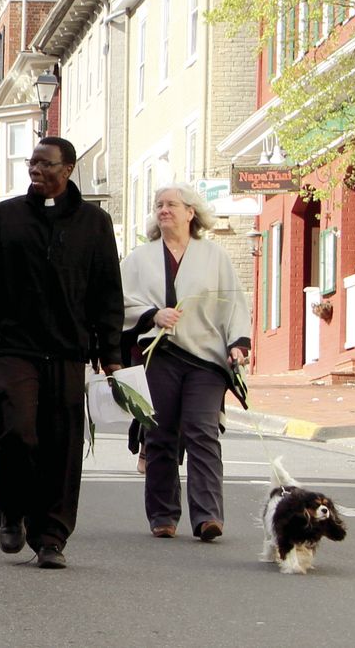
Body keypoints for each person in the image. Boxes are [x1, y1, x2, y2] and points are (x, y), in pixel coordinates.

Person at [0, 137, 123, 569]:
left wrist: (110, 352)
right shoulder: (6, 216)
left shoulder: (95, 222)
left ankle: (51, 536)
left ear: (68, 169)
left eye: (45, 163)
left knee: (62, 446)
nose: (35, 169)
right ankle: (12, 509)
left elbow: (108, 290)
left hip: (70, 350)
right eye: (32, 162)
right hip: (15, 347)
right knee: (15, 431)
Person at [120, 184, 251, 542]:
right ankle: (163, 515)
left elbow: (234, 303)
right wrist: (151, 315)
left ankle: (208, 516)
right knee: (160, 434)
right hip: (158, 356)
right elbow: (119, 301)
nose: (164, 210)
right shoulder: (138, 258)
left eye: (172, 205)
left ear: (191, 212)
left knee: (202, 432)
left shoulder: (215, 257)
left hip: (206, 359)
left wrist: (239, 343)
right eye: (158, 204)